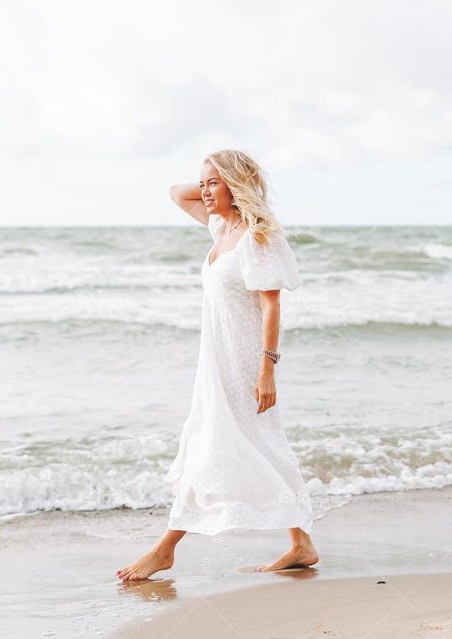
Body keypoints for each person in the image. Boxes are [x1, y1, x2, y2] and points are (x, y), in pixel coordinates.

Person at [117, 149, 319, 581]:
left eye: (213, 183)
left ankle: (165, 549)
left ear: (234, 184)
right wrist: (216, 183)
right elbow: (177, 193)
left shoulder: (255, 236)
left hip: (244, 361)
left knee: (217, 446)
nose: (204, 192)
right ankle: (301, 543)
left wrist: (268, 369)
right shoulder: (219, 226)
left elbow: (271, 308)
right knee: (259, 445)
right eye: (203, 184)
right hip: (214, 359)